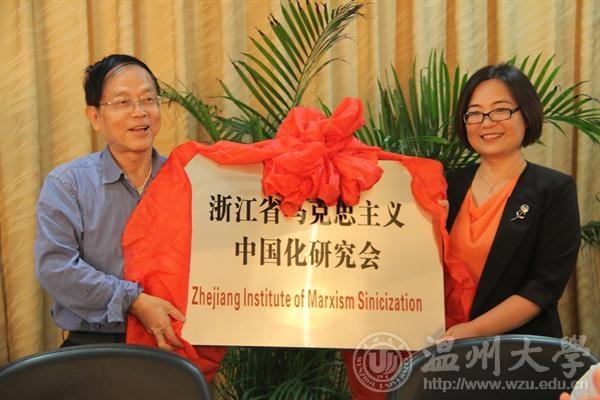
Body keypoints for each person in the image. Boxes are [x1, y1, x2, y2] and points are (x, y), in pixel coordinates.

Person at [35, 54, 184, 351]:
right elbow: (56, 268)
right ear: (95, 117)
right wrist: (134, 301)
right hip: (95, 346)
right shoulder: (68, 184)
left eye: (148, 99)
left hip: (174, 343)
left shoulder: (185, 179)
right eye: (123, 102)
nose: (139, 112)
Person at [443, 63, 581, 339]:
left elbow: (544, 286)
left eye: (500, 110)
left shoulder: (554, 190)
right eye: (475, 113)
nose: (486, 122)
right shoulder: (446, 185)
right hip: (441, 342)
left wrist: (473, 331)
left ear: (526, 115)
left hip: (518, 348)